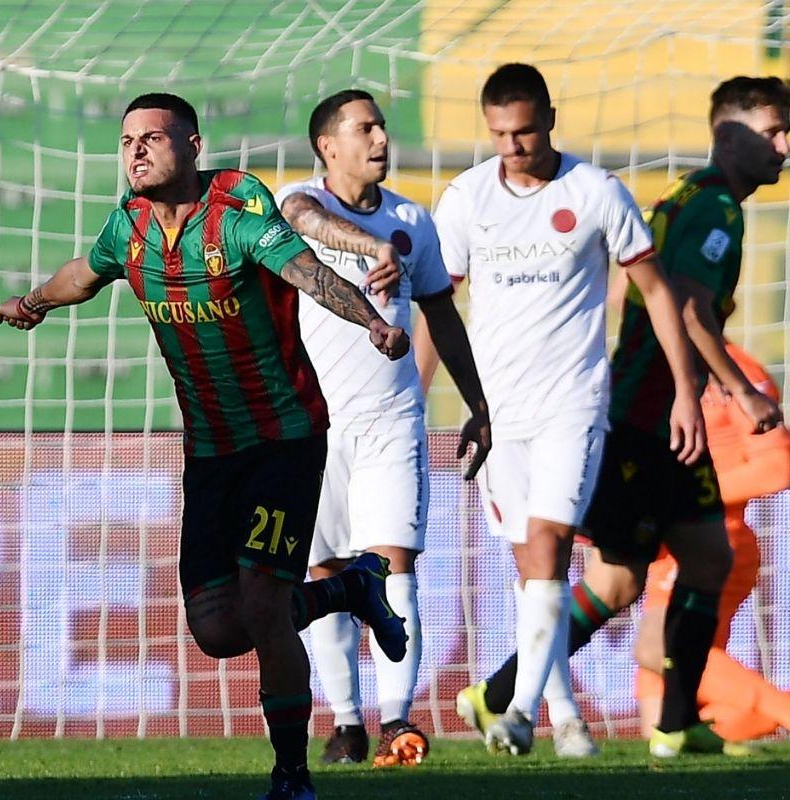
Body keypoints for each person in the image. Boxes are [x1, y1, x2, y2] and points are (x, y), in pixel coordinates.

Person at [0, 92, 412, 800]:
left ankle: (293, 776)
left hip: (283, 440)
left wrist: (371, 320)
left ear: (191, 146)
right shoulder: (127, 229)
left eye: (152, 138)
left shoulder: (239, 215)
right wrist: (35, 301)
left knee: (260, 596)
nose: (135, 150)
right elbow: (83, 274)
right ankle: (350, 587)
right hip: (210, 451)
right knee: (219, 630)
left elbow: (308, 274)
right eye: (127, 140)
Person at [452, 75, 790, 759]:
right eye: (771, 132)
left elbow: (638, 290)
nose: (784, 146)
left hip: (656, 411)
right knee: (619, 579)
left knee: (705, 557)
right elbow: (692, 309)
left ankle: (673, 724)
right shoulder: (713, 210)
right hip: (641, 418)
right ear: (728, 135)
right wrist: (737, 392)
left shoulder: (694, 200)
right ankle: (496, 697)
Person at [418, 63, 705, 758]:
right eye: (499, 135)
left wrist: (688, 390)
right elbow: (436, 306)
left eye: (523, 131)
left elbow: (657, 293)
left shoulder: (596, 191)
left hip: (573, 405)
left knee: (547, 546)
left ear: (550, 116)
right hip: (496, 412)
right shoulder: (465, 200)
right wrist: (414, 398)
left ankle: (516, 712)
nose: (512, 147)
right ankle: (568, 718)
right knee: (532, 572)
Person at [275, 89, 490, 768]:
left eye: (381, 126)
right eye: (362, 128)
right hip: (314, 427)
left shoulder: (413, 221)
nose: (379, 138)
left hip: (393, 421)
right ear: (327, 146)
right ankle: (345, 722)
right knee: (325, 572)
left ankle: (399, 719)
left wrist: (479, 404)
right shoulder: (298, 203)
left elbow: (441, 315)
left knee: (395, 566)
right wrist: (368, 246)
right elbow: (304, 217)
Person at [633, 341, 790, 743]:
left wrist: (680, 499)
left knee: (657, 647)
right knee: (662, 728)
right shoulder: (651, 363)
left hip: (711, 537)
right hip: (665, 546)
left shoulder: (734, 372)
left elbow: (775, 469)